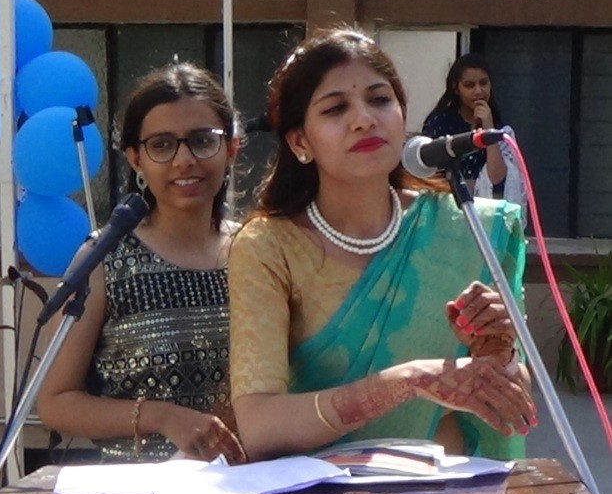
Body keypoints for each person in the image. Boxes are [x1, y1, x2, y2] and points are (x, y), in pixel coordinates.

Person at [228, 28, 535, 463]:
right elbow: (260, 427)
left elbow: (515, 399)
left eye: (379, 99)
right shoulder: (270, 247)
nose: (364, 119)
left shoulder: (470, 226)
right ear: (300, 142)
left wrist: (498, 354)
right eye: (336, 108)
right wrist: (406, 382)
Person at [37, 63, 246, 464]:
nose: (184, 160)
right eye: (162, 145)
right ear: (135, 158)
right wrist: (161, 417)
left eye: (203, 141)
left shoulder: (257, 251)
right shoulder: (105, 258)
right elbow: (55, 402)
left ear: (231, 148)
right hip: (139, 490)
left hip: (251, 483)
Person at [422, 53, 527, 223]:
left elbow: (496, 178)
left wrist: (488, 126)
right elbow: (428, 172)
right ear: (456, 88)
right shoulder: (440, 123)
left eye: (483, 83)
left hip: (486, 215)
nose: (478, 91)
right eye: (469, 85)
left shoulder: (501, 130)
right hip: (448, 212)